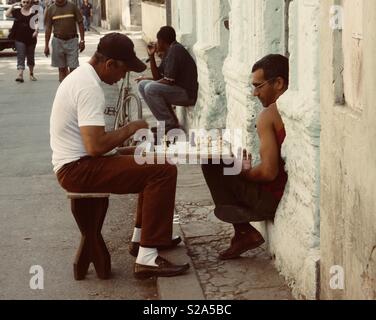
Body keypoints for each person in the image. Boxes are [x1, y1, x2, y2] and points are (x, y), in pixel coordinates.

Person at [50, 33, 190, 279]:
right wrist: (131, 128)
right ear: (110, 64)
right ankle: (147, 258)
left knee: (150, 158)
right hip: (77, 170)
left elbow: (92, 144)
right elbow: (94, 146)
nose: (122, 77)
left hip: (80, 163)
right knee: (163, 169)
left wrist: (127, 149)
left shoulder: (81, 77)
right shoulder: (88, 87)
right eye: (122, 70)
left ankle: (141, 239)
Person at [201, 54, 289, 260]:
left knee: (212, 161)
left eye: (259, 86)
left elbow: (268, 172)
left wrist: (245, 172)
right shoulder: (291, 109)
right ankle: (242, 232)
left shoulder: (269, 115)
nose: (254, 93)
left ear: (278, 83)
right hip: (278, 192)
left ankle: (243, 231)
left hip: (270, 199)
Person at [137, 26, 198, 134]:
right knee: (142, 85)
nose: (156, 43)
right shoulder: (169, 51)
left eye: (157, 41)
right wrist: (151, 56)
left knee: (150, 88)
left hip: (187, 94)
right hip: (178, 90)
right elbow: (158, 77)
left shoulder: (175, 50)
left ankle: (169, 124)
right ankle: (169, 122)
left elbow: (168, 81)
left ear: (162, 41)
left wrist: (153, 83)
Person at [44, 0, 85, 82]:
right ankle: (63, 91)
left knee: (73, 68)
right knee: (62, 69)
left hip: (72, 41)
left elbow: (80, 23)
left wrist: (82, 40)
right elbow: (48, 28)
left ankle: (72, 88)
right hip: (57, 41)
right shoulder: (51, 9)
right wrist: (46, 46)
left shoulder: (72, 6)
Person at [6, 0, 39, 82]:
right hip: (19, 38)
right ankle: (20, 75)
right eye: (24, 2)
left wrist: (36, 31)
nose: (25, 4)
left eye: (27, 2)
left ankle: (31, 74)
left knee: (30, 57)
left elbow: (37, 22)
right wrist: (13, 6)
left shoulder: (34, 12)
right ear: (21, 2)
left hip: (31, 38)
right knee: (21, 55)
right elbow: (7, 14)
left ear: (30, 3)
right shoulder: (17, 11)